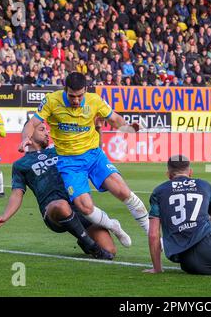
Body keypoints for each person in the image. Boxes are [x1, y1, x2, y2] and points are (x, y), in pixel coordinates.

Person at [19, 72, 149, 242]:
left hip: (94, 156)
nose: (76, 100)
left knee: (124, 192)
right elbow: (31, 124)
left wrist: (128, 128)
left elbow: (115, 119)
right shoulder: (52, 101)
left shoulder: (94, 100)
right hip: (69, 162)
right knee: (84, 207)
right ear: (65, 90)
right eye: (72, 96)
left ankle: (152, 234)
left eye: (80, 96)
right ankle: (113, 225)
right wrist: (25, 138)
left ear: (85, 90)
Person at [0, 122, 132, 260]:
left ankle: (83, 241)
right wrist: (5, 216)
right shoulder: (21, 165)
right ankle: (91, 246)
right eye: (42, 129)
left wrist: (98, 128)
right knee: (61, 205)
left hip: (80, 206)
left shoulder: (60, 150)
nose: (47, 132)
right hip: (52, 211)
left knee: (110, 250)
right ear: (30, 134)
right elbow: (17, 194)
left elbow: (92, 155)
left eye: (47, 129)